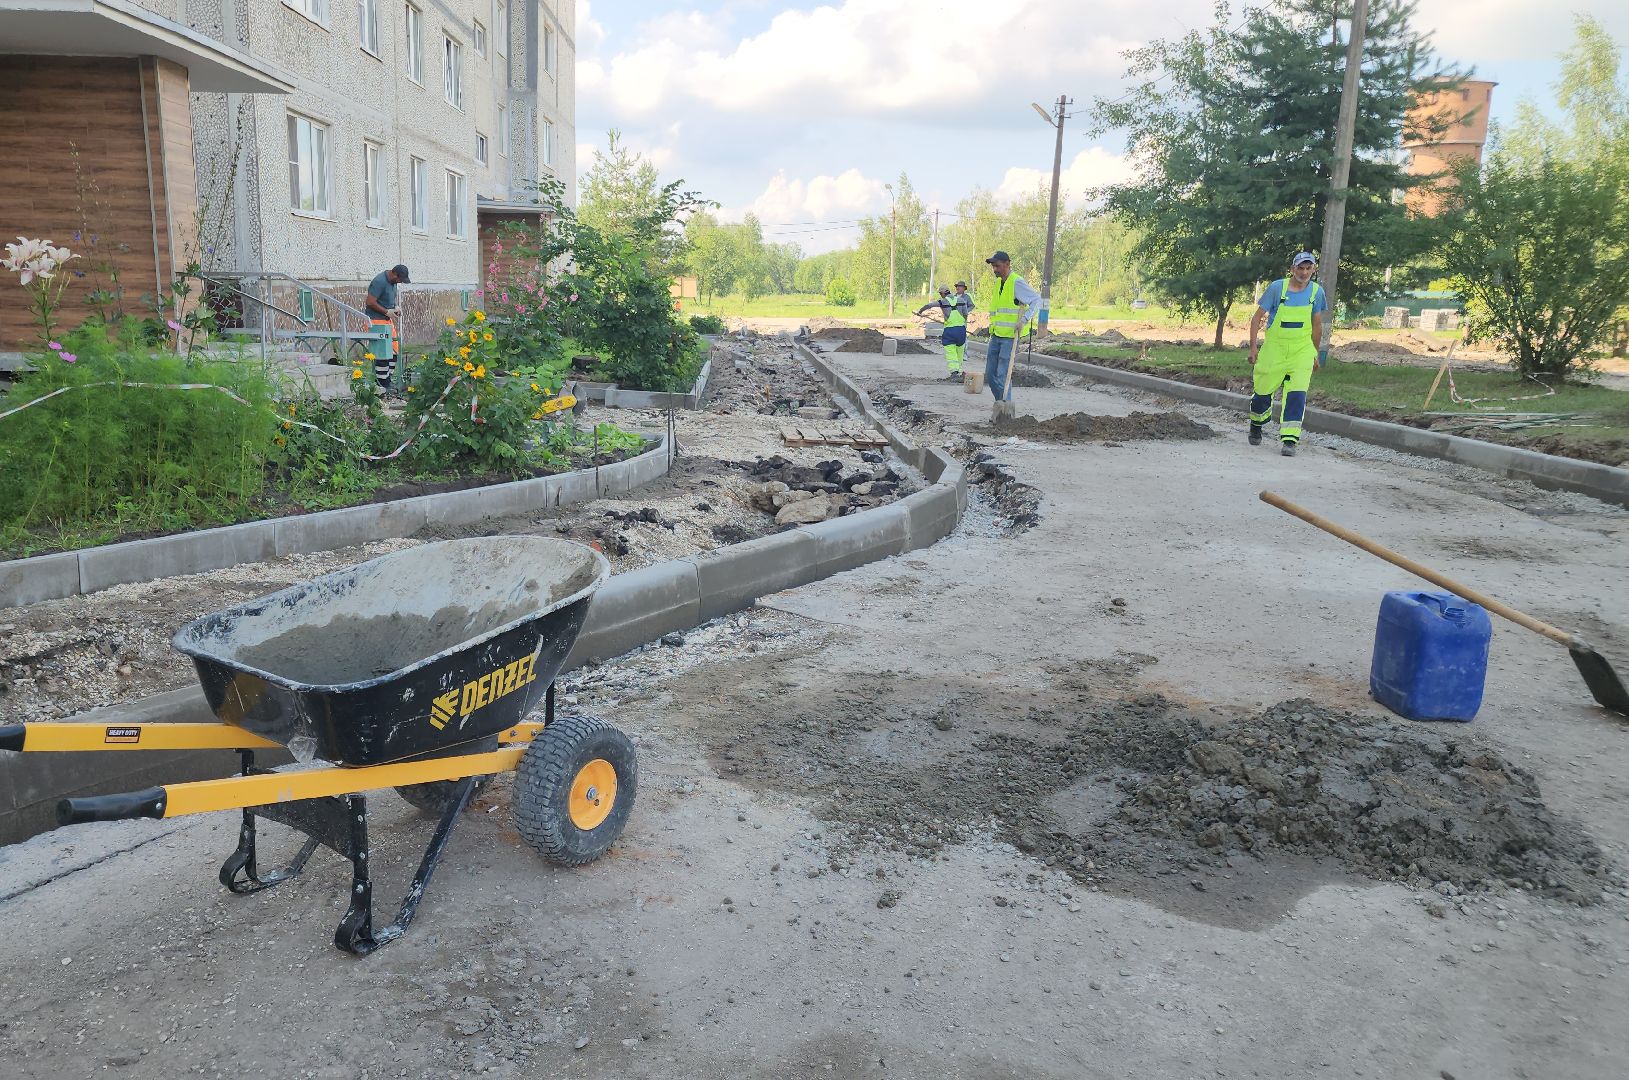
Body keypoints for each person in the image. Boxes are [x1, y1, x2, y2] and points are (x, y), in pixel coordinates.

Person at [1247, 251, 1329, 457]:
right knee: (1262, 393)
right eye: (1300, 268)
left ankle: (1290, 440)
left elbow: (1317, 325)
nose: (1304, 272)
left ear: (1313, 270)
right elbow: (1256, 318)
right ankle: (1257, 423)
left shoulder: (1316, 293)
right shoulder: (1277, 288)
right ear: (1293, 269)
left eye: (1308, 268)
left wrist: (1315, 353)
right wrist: (1253, 347)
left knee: (1297, 394)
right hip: (1274, 349)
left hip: (1301, 350)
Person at [982, 252, 1042, 401]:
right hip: (996, 336)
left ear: (1007, 264)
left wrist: (1024, 320)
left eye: (997, 266)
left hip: (1009, 338)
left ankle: (1004, 408)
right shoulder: (998, 283)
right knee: (990, 374)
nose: (994, 269)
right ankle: (1001, 403)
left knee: (1003, 375)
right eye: (993, 266)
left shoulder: (1016, 282)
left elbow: (1036, 300)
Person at [365, 263, 410, 391]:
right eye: (400, 279)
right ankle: (382, 384)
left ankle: (387, 380)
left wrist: (394, 308)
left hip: (387, 321)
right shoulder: (379, 281)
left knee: (394, 352)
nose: (400, 282)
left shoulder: (393, 282)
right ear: (394, 274)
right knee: (382, 354)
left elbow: (389, 299)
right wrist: (386, 312)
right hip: (376, 321)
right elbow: (370, 302)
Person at [914, 284, 974, 374]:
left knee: (950, 351)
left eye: (940, 293)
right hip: (961, 330)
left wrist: (920, 311)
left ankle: (954, 372)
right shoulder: (961, 300)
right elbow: (965, 314)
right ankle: (960, 372)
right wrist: (961, 324)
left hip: (950, 331)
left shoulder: (943, 302)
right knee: (960, 352)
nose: (940, 295)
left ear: (942, 293)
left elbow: (929, 305)